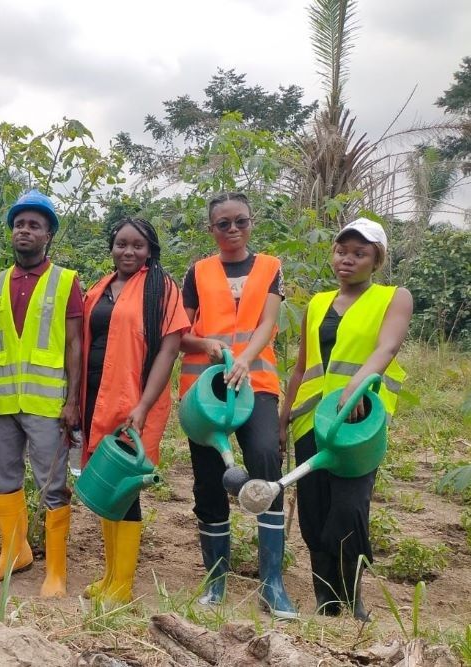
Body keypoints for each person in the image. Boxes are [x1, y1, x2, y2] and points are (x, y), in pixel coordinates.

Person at [282, 218, 411, 620]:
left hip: (358, 423)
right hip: (311, 420)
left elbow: (387, 347)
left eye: (360, 253)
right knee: (314, 514)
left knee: (350, 510)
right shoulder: (318, 304)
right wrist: (283, 418)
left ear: (377, 260)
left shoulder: (394, 297)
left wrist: (357, 385)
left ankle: (352, 598)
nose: (347, 259)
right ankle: (328, 602)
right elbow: (303, 366)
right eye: (342, 251)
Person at [178, 192, 297, 619]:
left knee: (266, 459)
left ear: (252, 223)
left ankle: (273, 584)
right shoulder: (197, 272)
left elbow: (268, 321)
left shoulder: (270, 267)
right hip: (205, 392)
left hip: (256, 384)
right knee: (208, 481)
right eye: (223, 224)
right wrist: (205, 343)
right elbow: (180, 332)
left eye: (240, 222)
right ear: (211, 229)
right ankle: (215, 584)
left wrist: (244, 358)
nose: (232, 230)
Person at [0, 189, 84, 599]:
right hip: (2, 403)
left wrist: (73, 401)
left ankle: (55, 570)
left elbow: (73, 344)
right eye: (19, 224)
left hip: (46, 404)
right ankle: (14, 553)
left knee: (52, 484)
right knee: (4, 477)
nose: (25, 230)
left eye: (34, 225)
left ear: (48, 235)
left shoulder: (66, 281)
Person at [80, 218, 189, 606]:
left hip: (134, 401)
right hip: (97, 397)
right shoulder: (102, 287)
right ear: (111, 247)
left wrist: (143, 405)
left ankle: (122, 586)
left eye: (137, 246)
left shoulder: (162, 289)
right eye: (121, 244)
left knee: (125, 489)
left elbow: (169, 349)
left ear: (150, 250)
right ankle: (109, 576)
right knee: (106, 485)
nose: (128, 252)